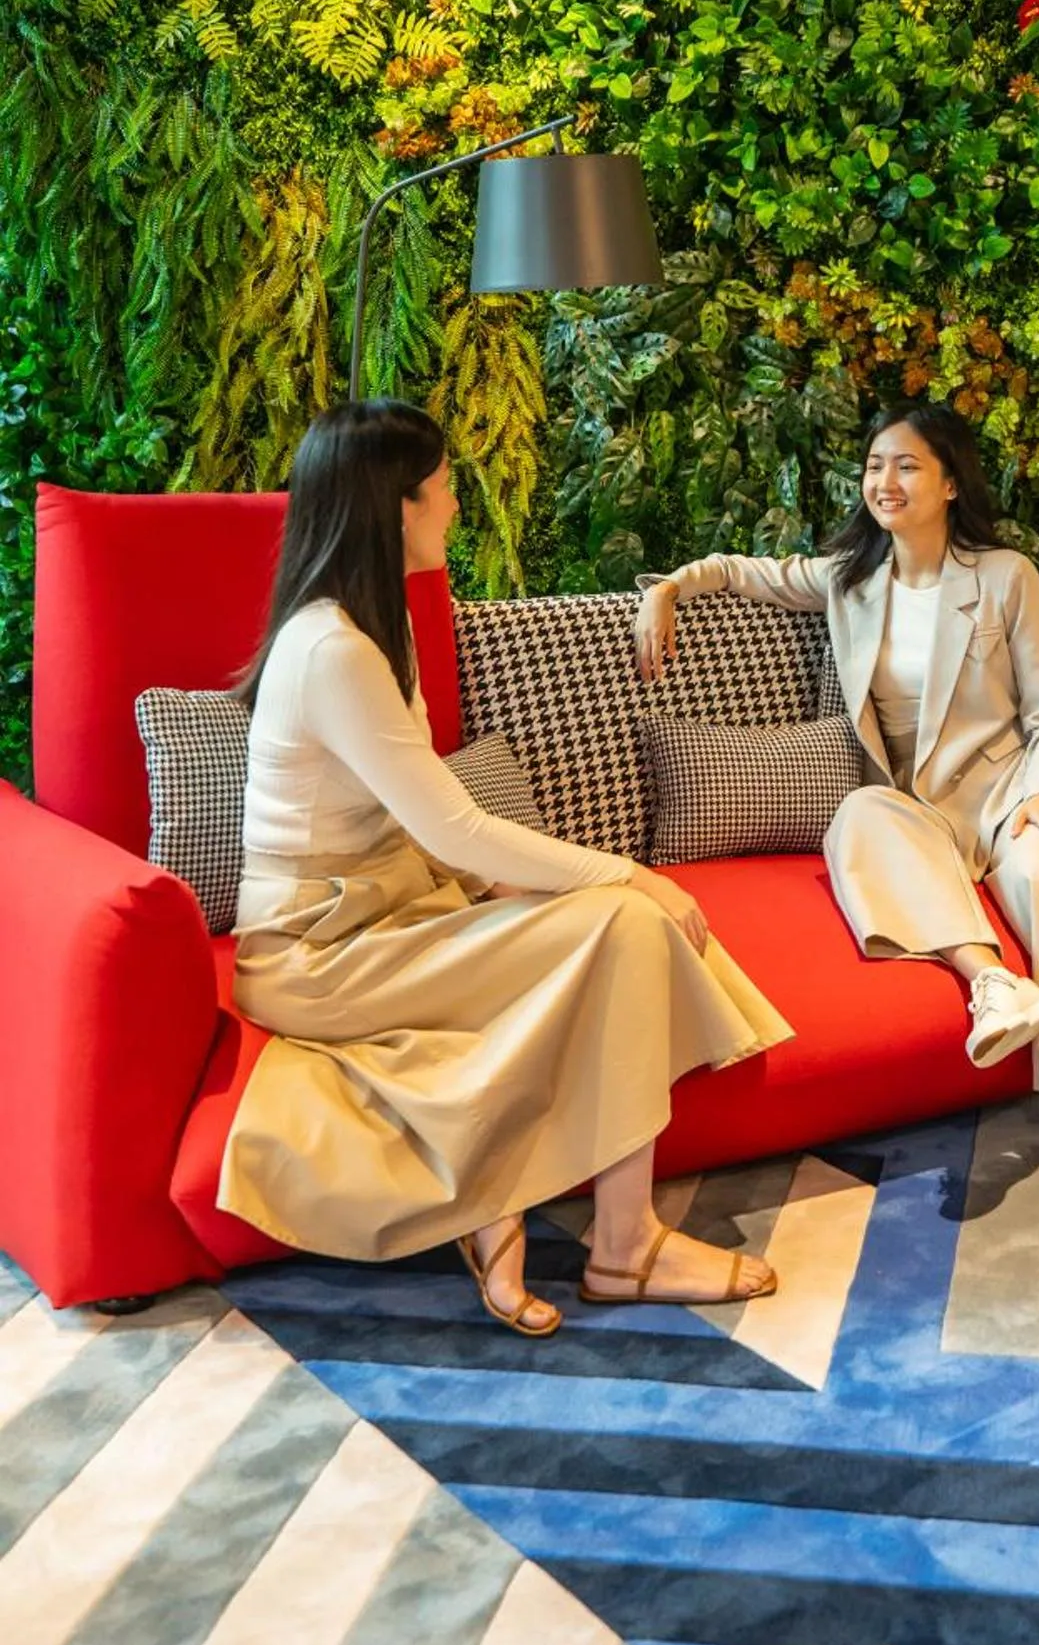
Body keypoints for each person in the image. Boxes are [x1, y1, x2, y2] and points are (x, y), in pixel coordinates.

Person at [218, 399, 792, 1336]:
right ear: (392, 506)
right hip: (316, 957)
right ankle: (625, 1249)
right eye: (442, 491)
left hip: (393, 914)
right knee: (628, 915)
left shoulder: (372, 628)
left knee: (613, 925)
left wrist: (525, 887)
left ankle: (588, 1232)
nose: (453, 509)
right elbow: (455, 827)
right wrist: (626, 872)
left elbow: (427, 825)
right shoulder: (329, 649)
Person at [634, 402, 1039, 1199]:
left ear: (950, 482)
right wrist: (668, 590)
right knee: (856, 816)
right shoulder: (848, 582)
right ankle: (991, 982)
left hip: (1004, 792)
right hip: (915, 811)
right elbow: (740, 570)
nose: (883, 481)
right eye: (873, 466)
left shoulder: (1003, 577)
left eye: (905, 466)